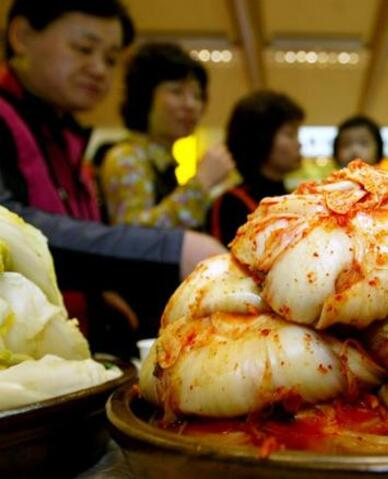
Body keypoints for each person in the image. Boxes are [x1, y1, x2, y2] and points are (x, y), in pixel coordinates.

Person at [0, 0, 226, 351]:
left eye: (109, 59)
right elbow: (10, 224)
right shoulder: (123, 156)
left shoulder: (64, 136)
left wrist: (95, 290)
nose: (98, 69)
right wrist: (171, 246)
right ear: (22, 36)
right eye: (83, 48)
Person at [98, 42, 234, 229]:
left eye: (197, 96)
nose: (191, 105)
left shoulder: (165, 162)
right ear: (145, 97)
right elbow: (133, 234)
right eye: (176, 92)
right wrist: (201, 183)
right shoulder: (127, 157)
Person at [207, 90, 304, 245]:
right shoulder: (231, 204)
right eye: (290, 134)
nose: (299, 144)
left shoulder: (295, 197)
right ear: (262, 139)